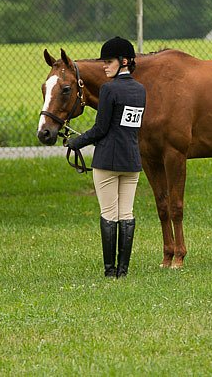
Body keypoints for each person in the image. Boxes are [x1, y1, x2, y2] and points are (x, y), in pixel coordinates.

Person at [65, 36, 146, 278]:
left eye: (108, 61)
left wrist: (75, 142)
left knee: (109, 214)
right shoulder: (140, 90)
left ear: (123, 62)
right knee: (127, 214)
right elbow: (129, 126)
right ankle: (124, 270)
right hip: (131, 160)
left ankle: (110, 271)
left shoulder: (108, 90)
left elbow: (101, 129)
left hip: (107, 162)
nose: (104, 66)